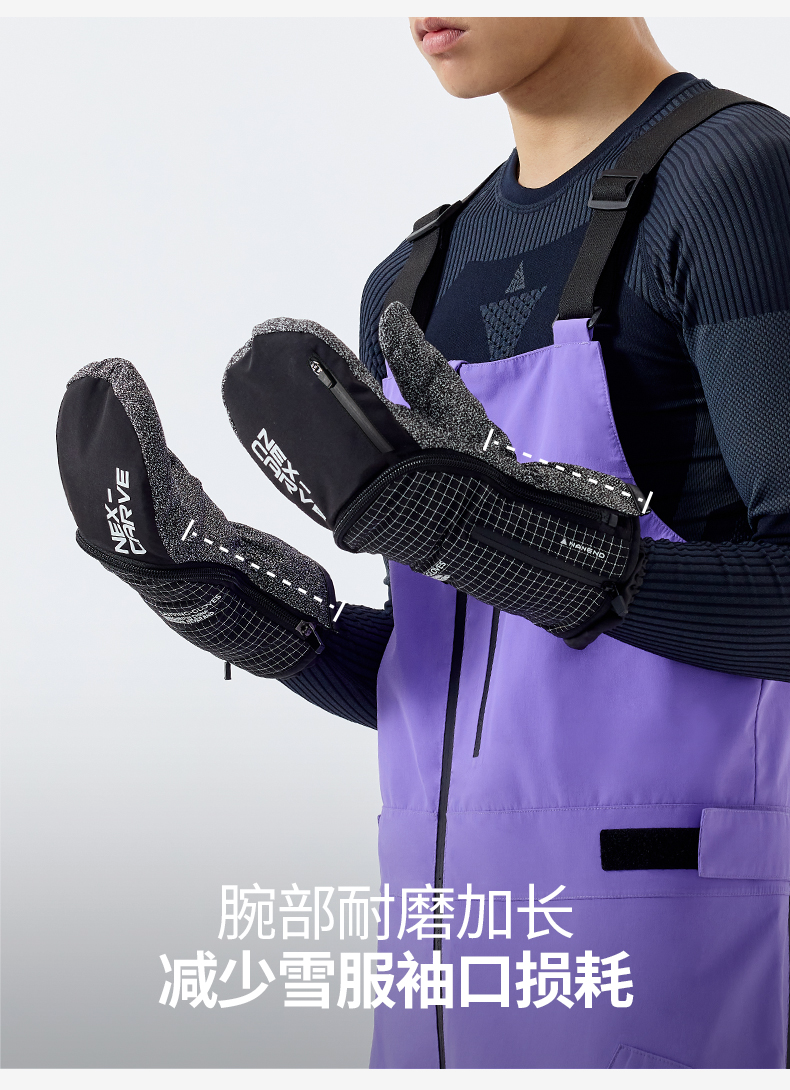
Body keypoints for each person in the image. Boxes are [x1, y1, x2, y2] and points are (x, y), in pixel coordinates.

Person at [57, 17, 790, 1069]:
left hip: (673, 972)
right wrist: (256, 619)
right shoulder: (412, 283)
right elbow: (471, 684)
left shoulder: (736, 186)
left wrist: (499, 537)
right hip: (445, 976)